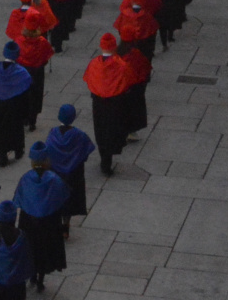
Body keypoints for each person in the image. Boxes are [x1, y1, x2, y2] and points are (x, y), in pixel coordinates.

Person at [12, 143, 70, 291]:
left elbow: (19, 199)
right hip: (48, 223)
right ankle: (40, 280)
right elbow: (62, 199)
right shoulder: (54, 179)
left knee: (31, 249)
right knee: (45, 250)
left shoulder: (26, 179)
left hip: (29, 222)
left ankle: (31, 275)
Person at [84, 34, 136, 175]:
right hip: (115, 103)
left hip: (98, 103)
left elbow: (88, 79)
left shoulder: (94, 64)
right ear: (114, 47)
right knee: (112, 130)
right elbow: (129, 82)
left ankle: (103, 157)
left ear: (101, 47)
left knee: (100, 129)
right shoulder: (121, 65)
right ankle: (108, 158)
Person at [44, 105, 96, 237]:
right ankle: (66, 223)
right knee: (70, 198)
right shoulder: (79, 135)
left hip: (56, 172)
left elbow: (47, 151)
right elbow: (86, 150)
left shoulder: (53, 133)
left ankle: (56, 223)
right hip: (73, 173)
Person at [0, 42, 32, 167]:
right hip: (13, 106)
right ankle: (18, 151)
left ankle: (1, 154)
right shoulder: (21, 72)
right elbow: (26, 90)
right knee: (15, 129)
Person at [14, 25, 54, 133]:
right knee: (35, 95)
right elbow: (47, 56)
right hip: (37, 72)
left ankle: (23, 118)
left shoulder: (19, 40)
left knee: (23, 94)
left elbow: (15, 56)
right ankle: (32, 121)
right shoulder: (42, 42)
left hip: (22, 71)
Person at [118, 37, 153, 143]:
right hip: (134, 88)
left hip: (120, 88)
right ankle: (131, 131)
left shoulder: (117, 53)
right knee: (133, 109)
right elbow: (144, 69)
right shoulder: (136, 55)